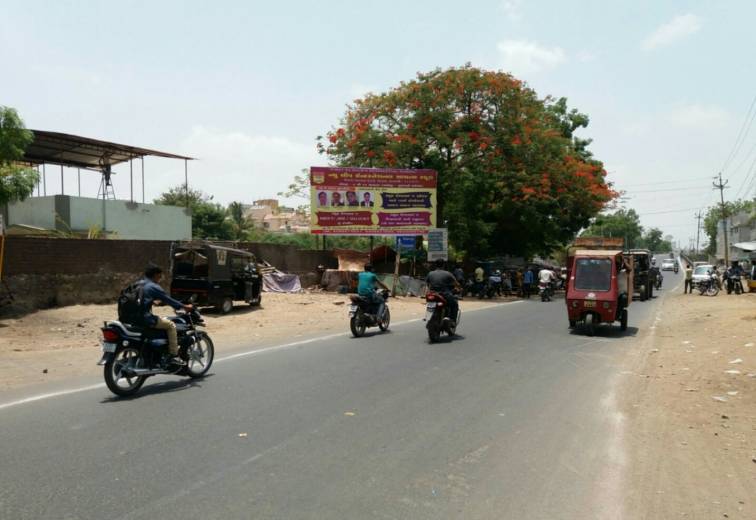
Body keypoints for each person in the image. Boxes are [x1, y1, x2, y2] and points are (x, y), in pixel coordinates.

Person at [141, 264, 193, 366]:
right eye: (159, 276)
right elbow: (168, 300)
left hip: (128, 318)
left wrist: (151, 302)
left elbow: (138, 300)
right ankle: (174, 356)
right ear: (155, 275)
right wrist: (184, 306)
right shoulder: (153, 286)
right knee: (171, 325)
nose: (160, 279)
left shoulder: (137, 284)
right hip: (144, 319)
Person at [426, 259, 460, 325]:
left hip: (432, 294)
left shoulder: (430, 273)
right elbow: (456, 283)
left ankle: (428, 316)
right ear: (443, 265)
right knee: (455, 304)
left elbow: (427, 284)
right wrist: (459, 288)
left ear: (435, 265)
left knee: (430, 304)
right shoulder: (448, 273)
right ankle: (452, 320)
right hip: (444, 294)